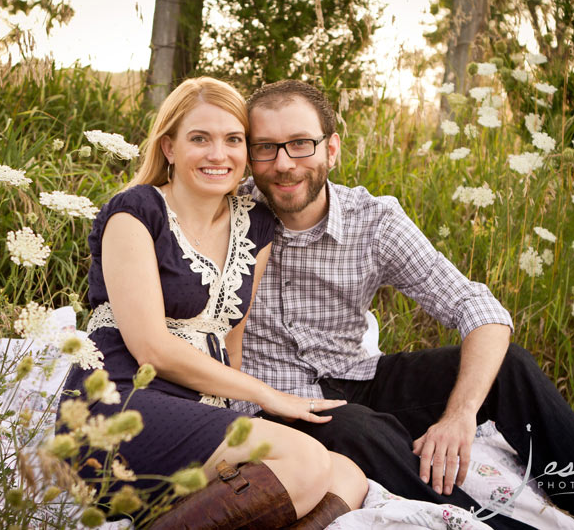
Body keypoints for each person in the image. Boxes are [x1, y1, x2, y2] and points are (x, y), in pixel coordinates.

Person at [232, 79, 574, 530]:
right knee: (352, 428)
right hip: (280, 403)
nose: (283, 164)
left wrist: (459, 415)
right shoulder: (228, 211)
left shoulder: (374, 221)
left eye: (300, 144)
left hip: (358, 375)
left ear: (332, 149)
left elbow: (478, 308)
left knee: (508, 366)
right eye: (265, 147)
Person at [57, 77, 368, 529]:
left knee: (346, 474)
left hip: (198, 412)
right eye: (199, 139)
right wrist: (269, 398)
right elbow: (152, 350)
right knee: (304, 461)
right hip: (119, 401)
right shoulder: (137, 211)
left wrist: (240, 411)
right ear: (169, 147)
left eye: (233, 140)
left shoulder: (256, 225)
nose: (218, 154)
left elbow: (231, 340)